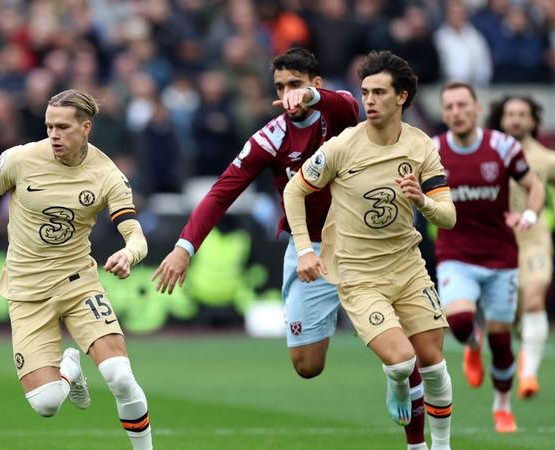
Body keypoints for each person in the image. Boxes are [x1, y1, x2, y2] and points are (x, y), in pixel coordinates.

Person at [152, 47, 429, 449]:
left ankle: (408, 402)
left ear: (315, 84)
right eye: (280, 87)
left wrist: (313, 97)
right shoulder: (272, 137)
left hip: (364, 248)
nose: (287, 95)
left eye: (295, 85)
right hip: (309, 251)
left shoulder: (344, 115)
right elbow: (221, 193)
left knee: (403, 354)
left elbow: (341, 101)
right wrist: (184, 247)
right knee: (307, 365)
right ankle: (399, 371)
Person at [0, 89, 153, 450]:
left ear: (86, 128)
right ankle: (70, 367)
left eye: (63, 127)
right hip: (26, 292)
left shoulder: (106, 174)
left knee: (120, 376)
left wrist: (130, 254)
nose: (53, 134)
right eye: (49, 126)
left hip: (78, 283)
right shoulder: (20, 159)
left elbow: (135, 234)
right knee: (46, 404)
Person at [284, 51, 456, 450]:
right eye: (365, 92)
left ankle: (439, 447)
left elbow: (447, 216)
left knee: (434, 364)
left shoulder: (421, 147)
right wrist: (304, 249)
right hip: (359, 275)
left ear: (403, 97)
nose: (370, 100)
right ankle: (399, 391)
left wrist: (424, 202)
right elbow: (295, 190)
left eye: (380, 92)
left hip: (409, 269)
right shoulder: (344, 146)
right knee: (400, 362)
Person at [432, 82, 544, 433]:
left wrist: (528, 216)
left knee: (502, 339)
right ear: (443, 112)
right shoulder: (432, 151)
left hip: (500, 256)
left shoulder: (502, 146)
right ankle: (471, 343)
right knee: (461, 321)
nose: (456, 112)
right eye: (449, 107)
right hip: (456, 254)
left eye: (462, 105)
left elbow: (535, 186)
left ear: (476, 108)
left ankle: (502, 407)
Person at [487, 95, 555, 399]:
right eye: (510, 114)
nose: (516, 119)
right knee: (506, 315)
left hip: (534, 239)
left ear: (533, 121)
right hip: (498, 242)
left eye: (522, 114)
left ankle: (528, 374)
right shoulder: (488, 152)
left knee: (535, 299)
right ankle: (516, 343)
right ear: (502, 119)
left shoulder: (547, 159)